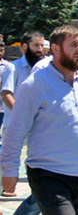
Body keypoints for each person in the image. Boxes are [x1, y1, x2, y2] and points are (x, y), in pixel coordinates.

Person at [0, 25, 78, 214]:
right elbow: (16, 129)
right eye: (73, 45)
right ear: (55, 49)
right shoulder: (36, 84)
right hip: (47, 172)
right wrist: (10, 170)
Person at [1, 31, 45, 176]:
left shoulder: (45, 68)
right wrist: (21, 114)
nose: (40, 49)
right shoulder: (14, 67)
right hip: (15, 123)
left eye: (42, 45)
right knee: (10, 157)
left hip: (37, 124)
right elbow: (6, 94)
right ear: (25, 46)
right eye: (36, 45)